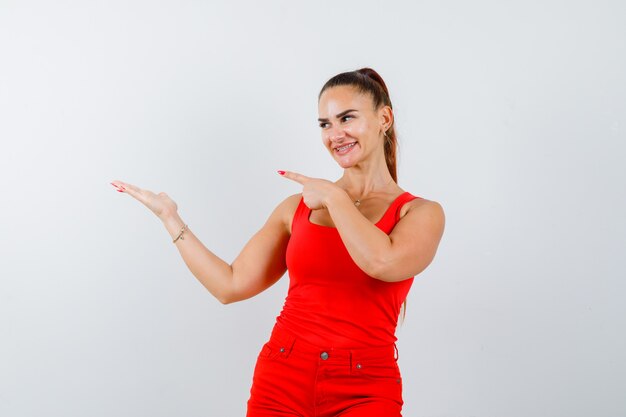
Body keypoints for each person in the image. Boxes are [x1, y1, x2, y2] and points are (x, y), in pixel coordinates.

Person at [111, 67, 445, 416]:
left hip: (365, 388)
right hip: (282, 376)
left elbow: (381, 262)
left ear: (384, 119)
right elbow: (231, 284)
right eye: (325, 124)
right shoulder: (296, 209)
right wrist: (170, 217)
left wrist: (336, 198)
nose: (335, 134)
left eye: (347, 118)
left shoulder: (420, 213)